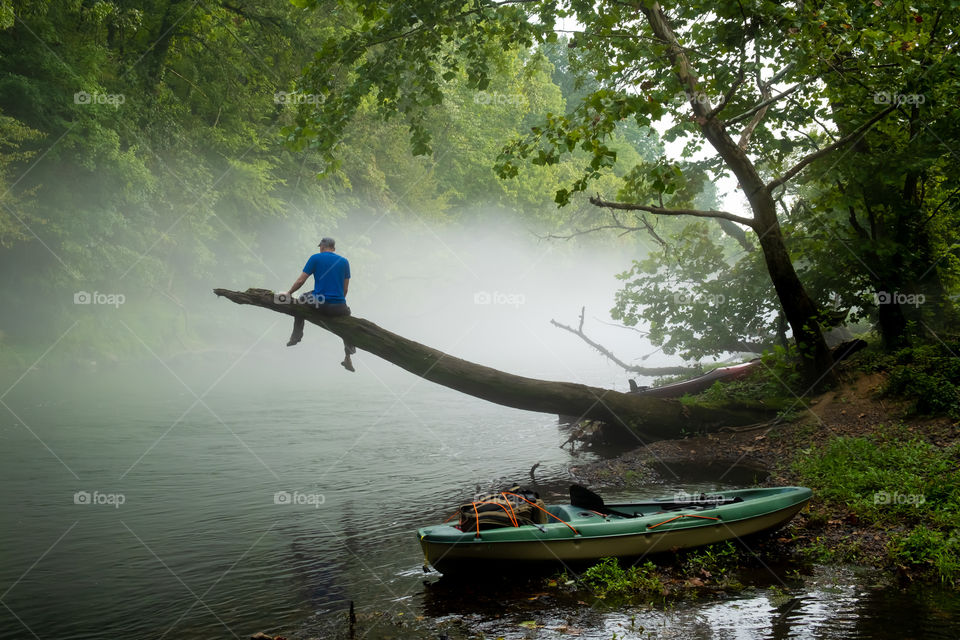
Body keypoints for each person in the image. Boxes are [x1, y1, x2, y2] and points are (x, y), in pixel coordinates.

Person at [284, 237, 357, 371]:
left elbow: (301, 281)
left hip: (319, 302)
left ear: (322, 247)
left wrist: (289, 293)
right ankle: (348, 357)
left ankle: (296, 335)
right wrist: (337, 302)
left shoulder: (315, 258)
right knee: (349, 322)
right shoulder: (344, 262)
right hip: (339, 306)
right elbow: (345, 289)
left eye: (320, 247)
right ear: (333, 248)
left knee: (300, 299)